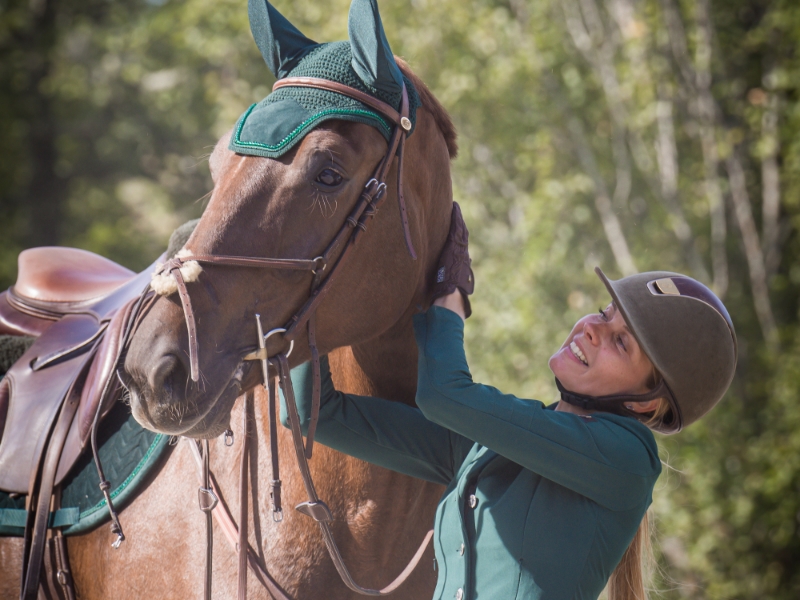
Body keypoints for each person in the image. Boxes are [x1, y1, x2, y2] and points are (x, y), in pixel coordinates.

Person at [281, 204, 737, 600]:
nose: (592, 329)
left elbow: (445, 396)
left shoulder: (628, 458)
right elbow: (312, 414)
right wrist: (314, 289)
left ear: (645, 405)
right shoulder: (490, 450)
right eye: (603, 313)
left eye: (621, 343)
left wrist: (449, 302)